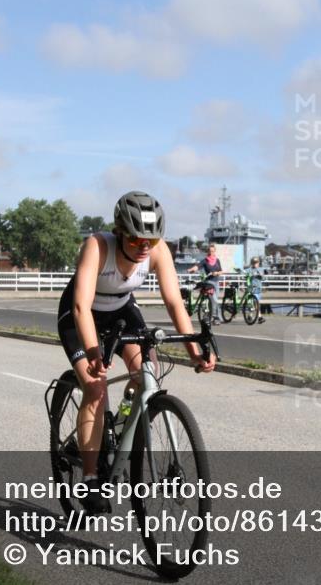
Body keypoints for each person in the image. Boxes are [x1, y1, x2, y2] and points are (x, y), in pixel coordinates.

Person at [56, 191, 215, 513]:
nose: (144, 247)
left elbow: (173, 302)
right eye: (136, 240)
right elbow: (80, 306)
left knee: (148, 375)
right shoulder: (98, 246)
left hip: (121, 312)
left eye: (151, 241)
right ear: (119, 232)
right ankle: (89, 478)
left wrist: (194, 351)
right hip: (80, 316)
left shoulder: (158, 252)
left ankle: (119, 427)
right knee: (96, 388)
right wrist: (92, 352)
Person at [188, 244, 224, 324]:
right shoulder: (205, 260)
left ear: (215, 251)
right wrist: (191, 269)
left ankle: (213, 316)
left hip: (216, 282)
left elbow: (221, 271)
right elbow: (198, 266)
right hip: (209, 282)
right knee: (213, 299)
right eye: (210, 251)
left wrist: (217, 273)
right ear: (208, 251)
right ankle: (215, 317)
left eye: (213, 251)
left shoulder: (217, 260)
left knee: (216, 300)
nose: (211, 252)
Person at [246, 256, 266, 323]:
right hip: (252, 288)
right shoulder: (249, 269)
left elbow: (264, 278)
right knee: (255, 302)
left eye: (257, 262)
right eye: (254, 263)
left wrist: (261, 275)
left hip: (258, 288)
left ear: (259, 263)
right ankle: (259, 317)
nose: (255, 264)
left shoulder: (260, 269)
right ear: (252, 263)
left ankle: (250, 316)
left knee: (254, 303)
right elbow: (244, 273)